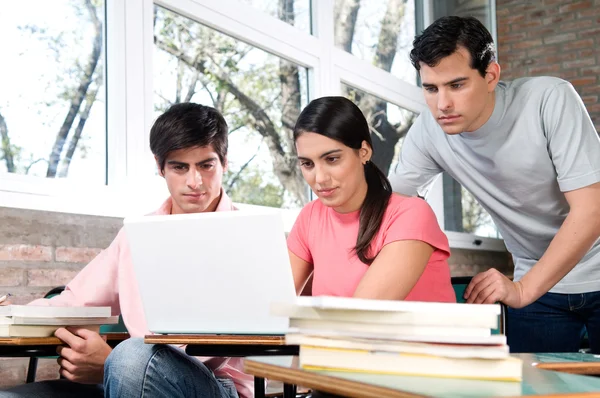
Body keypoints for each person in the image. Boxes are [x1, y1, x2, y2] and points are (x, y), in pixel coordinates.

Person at [0, 103, 250, 398]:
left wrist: (110, 363)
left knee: (132, 356)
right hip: (130, 377)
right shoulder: (135, 235)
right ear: (160, 166)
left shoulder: (248, 234)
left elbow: (228, 345)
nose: (194, 182)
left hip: (214, 385)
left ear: (224, 163)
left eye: (206, 165)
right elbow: (72, 301)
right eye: (179, 167)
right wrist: (12, 314)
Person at [389, 16, 600, 353]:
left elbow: (591, 211)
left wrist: (522, 290)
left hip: (556, 277)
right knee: (531, 390)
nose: (442, 104)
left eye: (456, 85)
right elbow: (390, 208)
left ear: (490, 75)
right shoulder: (428, 131)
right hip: (540, 287)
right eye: (431, 88)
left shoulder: (549, 99)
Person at [287, 96, 455, 303]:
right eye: (307, 164)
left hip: (398, 336)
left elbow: (362, 315)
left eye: (332, 159)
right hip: (336, 335)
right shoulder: (310, 216)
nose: (320, 178)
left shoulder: (411, 214)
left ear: (364, 152)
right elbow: (272, 300)